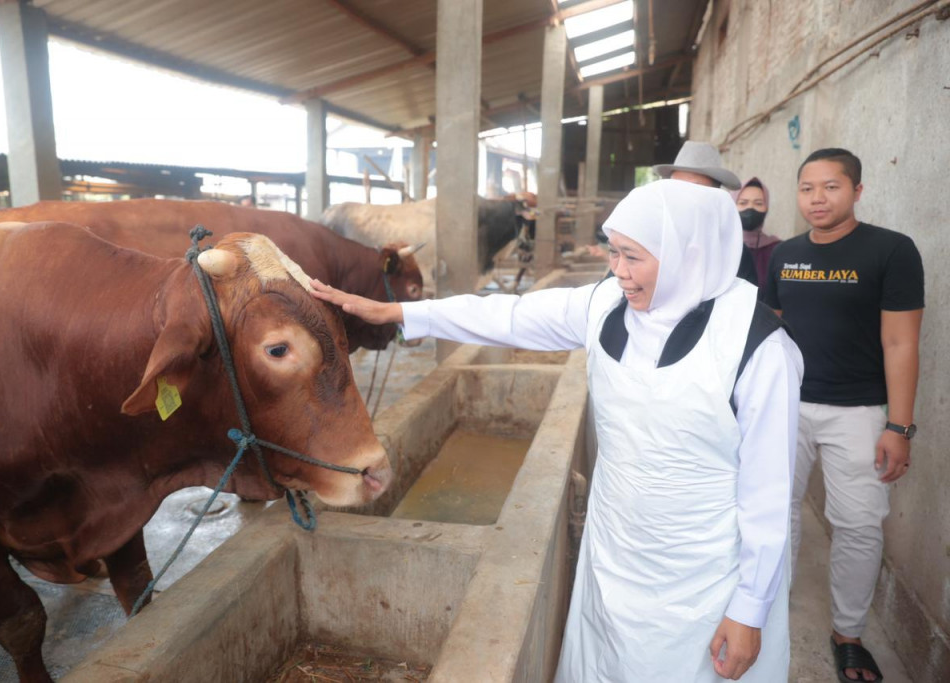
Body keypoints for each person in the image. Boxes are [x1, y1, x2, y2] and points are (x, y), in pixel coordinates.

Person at [313, 179, 803, 682]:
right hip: (614, 551)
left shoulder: (760, 349)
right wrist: (398, 312)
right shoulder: (606, 305)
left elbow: (768, 495)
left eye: (634, 257)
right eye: (614, 253)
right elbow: (508, 314)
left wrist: (750, 607)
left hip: (704, 574)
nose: (619, 272)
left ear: (687, 253)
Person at [762, 148, 924, 683]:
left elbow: (901, 342)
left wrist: (897, 427)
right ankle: (762, 613)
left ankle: (847, 634)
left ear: (857, 190)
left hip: (857, 411)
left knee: (858, 524)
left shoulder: (891, 251)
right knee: (773, 513)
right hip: (787, 406)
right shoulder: (784, 255)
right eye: (807, 188)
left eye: (831, 187)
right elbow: (773, 334)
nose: (817, 198)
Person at [653, 141, 759, 286]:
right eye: (677, 188)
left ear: (715, 197)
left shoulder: (734, 252)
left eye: (696, 190)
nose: (683, 196)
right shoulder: (648, 241)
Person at [735, 177, 781, 289]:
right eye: (743, 203)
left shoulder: (778, 249)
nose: (750, 208)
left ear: (767, 208)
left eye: (758, 203)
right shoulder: (723, 247)